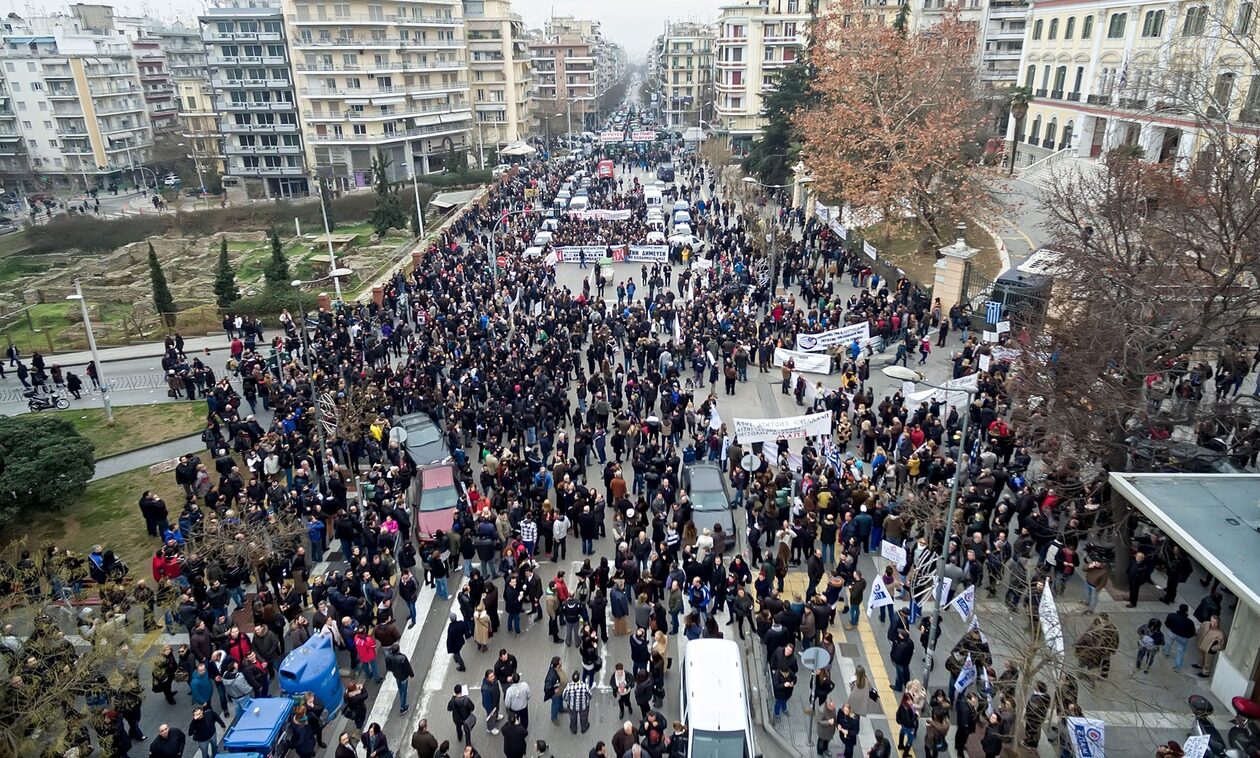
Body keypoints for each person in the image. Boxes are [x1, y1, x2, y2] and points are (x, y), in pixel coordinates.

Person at [385, 643, 416, 713]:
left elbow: (388, 667)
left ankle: (401, 696)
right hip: (404, 676)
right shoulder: (402, 658)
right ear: (398, 650)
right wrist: (412, 674)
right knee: (404, 691)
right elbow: (408, 667)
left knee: (400, 688)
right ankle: (403, 707)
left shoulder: (388, 657)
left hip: (396, 675)